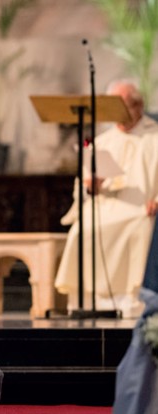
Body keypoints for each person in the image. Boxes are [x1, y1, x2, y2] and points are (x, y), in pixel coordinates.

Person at [54, 79, 158, 318]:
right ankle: (91, 301)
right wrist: (91, 187)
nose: (117, 113)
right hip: (104, 207)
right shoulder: (102, 142)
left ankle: (132, 301)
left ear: (138, 105)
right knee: (81, 230)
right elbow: (81, 187)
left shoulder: (155, 137)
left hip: (141, 209)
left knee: (140, 226)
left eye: (122, 105)